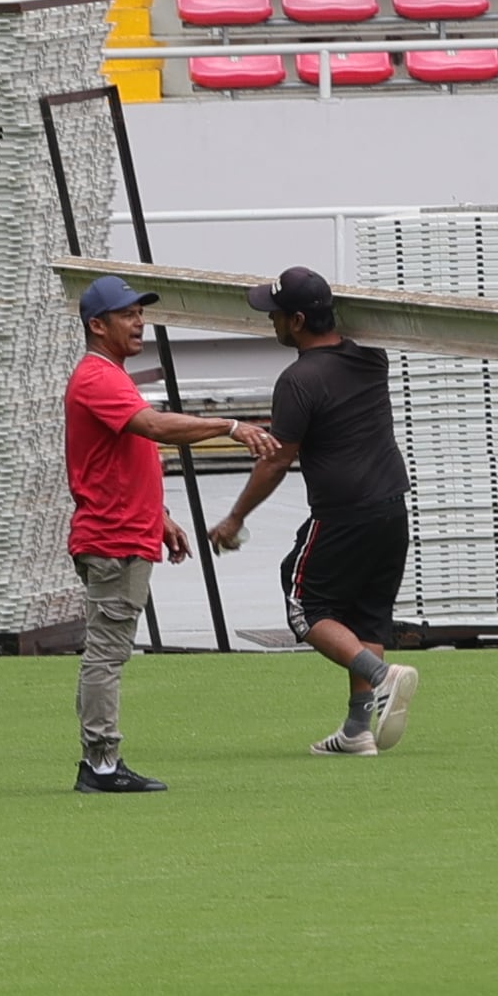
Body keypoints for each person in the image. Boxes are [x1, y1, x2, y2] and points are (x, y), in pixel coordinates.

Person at [64, 273, 274, 794]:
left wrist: (159, 518)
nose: (139, 322)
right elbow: (154, 427)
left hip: (123, 534)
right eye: (127, 314)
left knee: (107, 652)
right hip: (112, 539)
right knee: (106, 654)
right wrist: (229, 426)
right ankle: (100, 765)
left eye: (140, 313)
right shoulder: (97, 376)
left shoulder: (110, 375)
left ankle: (101, 761)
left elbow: (117, 460)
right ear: (98, 325)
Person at [208, 266, 421, 758]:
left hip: (342, 514)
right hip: (392, 509)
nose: (271, 321)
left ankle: (382, 676)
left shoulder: (298, 380)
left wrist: (236, 517)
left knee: (306, 609)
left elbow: (276, 459)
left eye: (276, 314)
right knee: (367, 618)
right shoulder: (372, 359)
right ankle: (357, 730)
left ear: (298, 320)